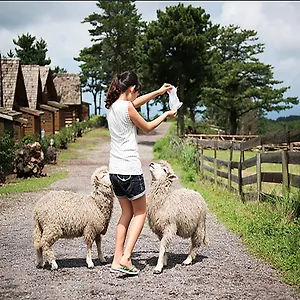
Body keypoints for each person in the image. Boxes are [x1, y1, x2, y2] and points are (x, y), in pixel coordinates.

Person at [105, 70, 177, 275]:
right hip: (130, 170)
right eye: (137, 92)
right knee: (140, 212)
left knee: (126, 213)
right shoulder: (127, 107)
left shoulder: (111, 106)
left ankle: (116, 260)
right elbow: (147, 127)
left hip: (115, 171)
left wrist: (158, 92)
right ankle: (127, 258)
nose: (137, 96)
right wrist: (165, 114)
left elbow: (134, 104)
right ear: (131, 89)